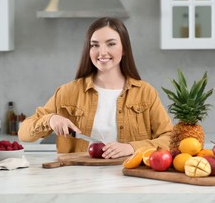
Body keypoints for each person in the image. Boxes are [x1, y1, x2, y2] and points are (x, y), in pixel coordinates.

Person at [18, 17, 173, 159]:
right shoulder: (68, 92)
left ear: (124, 48)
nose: (102, 52)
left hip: (131, 180)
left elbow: (170, 139)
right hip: (76, 180)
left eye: (111, 44)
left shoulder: (145, 93)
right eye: (95, 45)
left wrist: (132, 147)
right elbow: (24, 133)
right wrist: (50, 119)